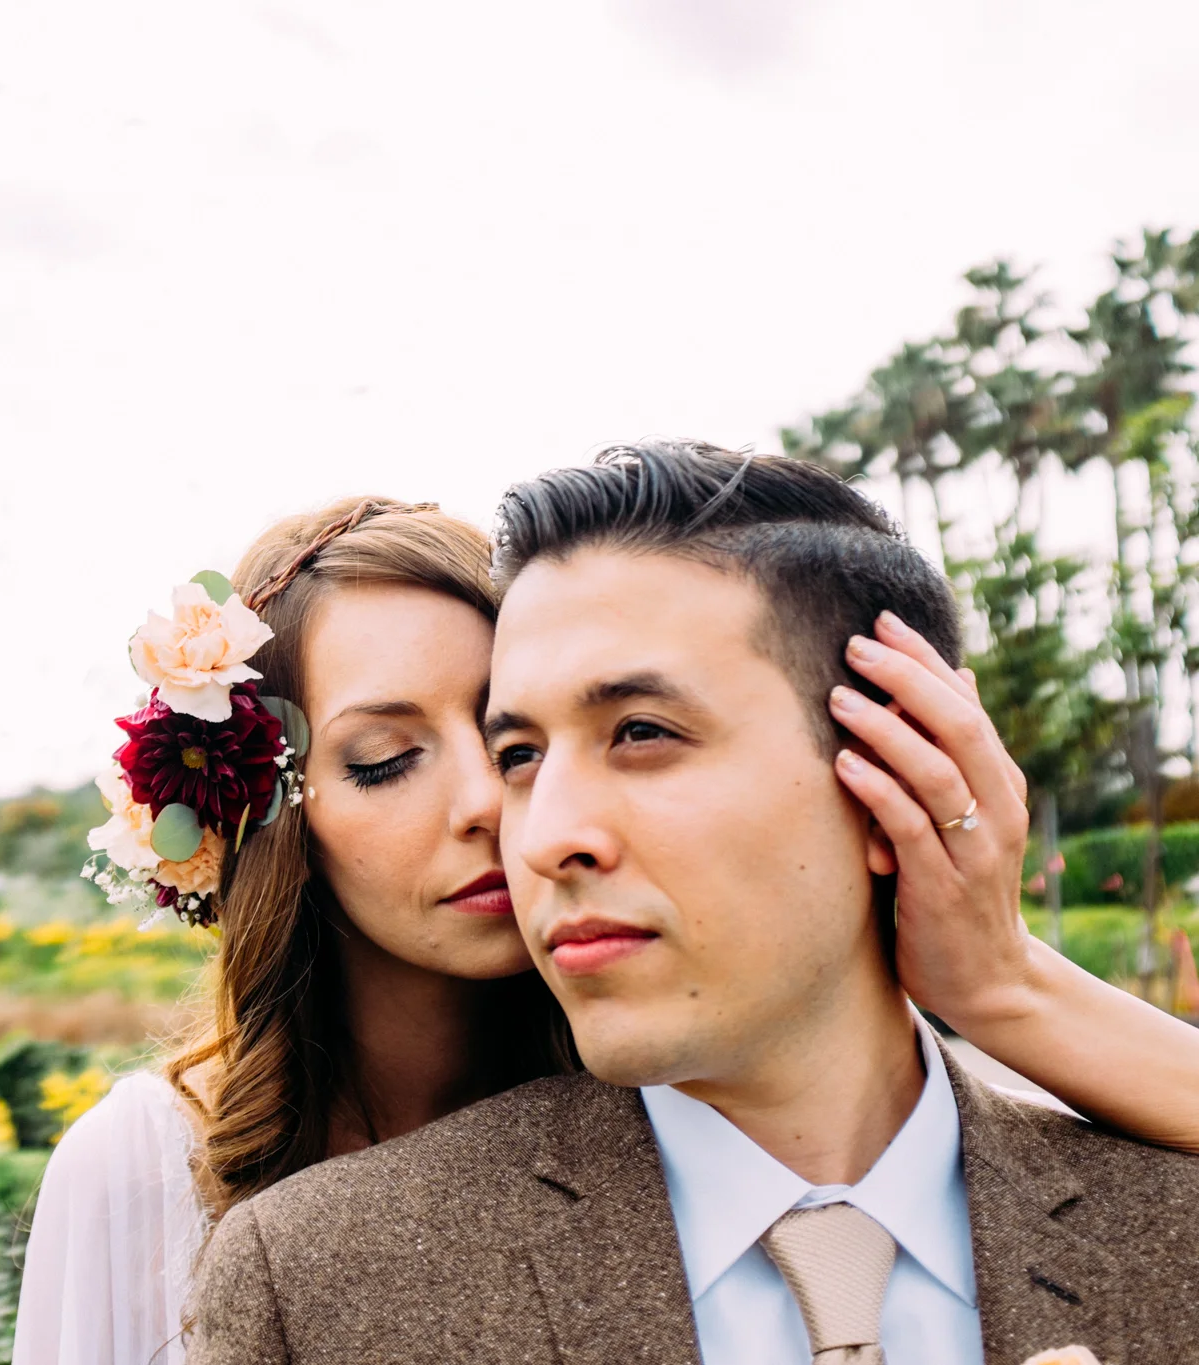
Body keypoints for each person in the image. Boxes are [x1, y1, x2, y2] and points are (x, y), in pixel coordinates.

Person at [185, 443, 1199, 1365]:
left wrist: (1004, 985)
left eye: (638, 732)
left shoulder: (1169, 1236)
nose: (535, 835)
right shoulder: (323, 1287)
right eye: (522, 754)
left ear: (900, 761)